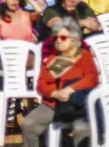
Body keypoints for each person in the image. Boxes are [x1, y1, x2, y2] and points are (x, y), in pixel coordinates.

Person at [22, 17, 99, 147]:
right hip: (54, 104)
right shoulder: (53, 59)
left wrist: (70, 90)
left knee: (83, 130)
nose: (57, 41)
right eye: (55, 38)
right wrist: (54, 94)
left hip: (78, 106)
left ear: (74, 40)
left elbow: (91, 78)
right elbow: (42, 83)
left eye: (63, 38)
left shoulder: (83, 55)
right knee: (28, 124)